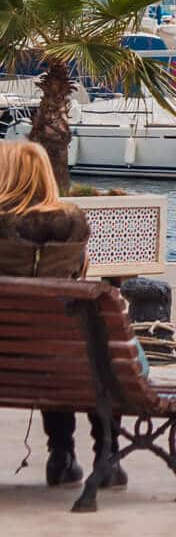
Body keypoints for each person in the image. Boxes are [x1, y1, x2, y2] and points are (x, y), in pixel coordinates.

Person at [0, 141, 122, 491]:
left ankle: (62, 452)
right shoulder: (74, 226)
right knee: (94, 355)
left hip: (7, 357)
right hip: (59, 356)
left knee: (53, 350)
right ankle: (103, 455)